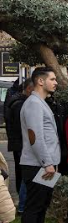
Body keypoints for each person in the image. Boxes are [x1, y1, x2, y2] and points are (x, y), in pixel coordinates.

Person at [19, 67, 61, 223]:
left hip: (46, 165)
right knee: (33, 207)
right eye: (52, 79)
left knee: (42, 205)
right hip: (38, 164)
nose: (56, 82)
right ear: (40, 81)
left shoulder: (41, 103)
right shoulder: (34, 104)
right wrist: (47, 163)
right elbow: (35, 137)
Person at [5, 80, 31, 212]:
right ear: (28, 89)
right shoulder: (19, 104)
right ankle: (22, 205)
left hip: (19, 143)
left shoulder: (16, 101)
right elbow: (23, 127)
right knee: (25, 175)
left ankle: (23, 204)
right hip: (22, 144)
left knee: (23, 174)